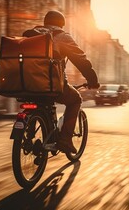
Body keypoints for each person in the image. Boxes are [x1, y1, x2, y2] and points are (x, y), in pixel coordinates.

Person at [23, 10, 100, 153]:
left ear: (45, 22)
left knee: (40, 102)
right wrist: (92, 79)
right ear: (61, 25)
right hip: (50, 85)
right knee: (75, 99)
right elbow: (80, 59)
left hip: (26, 83)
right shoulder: (62, 37)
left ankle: (28, 136)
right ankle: (65, 140)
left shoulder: (30, 34)